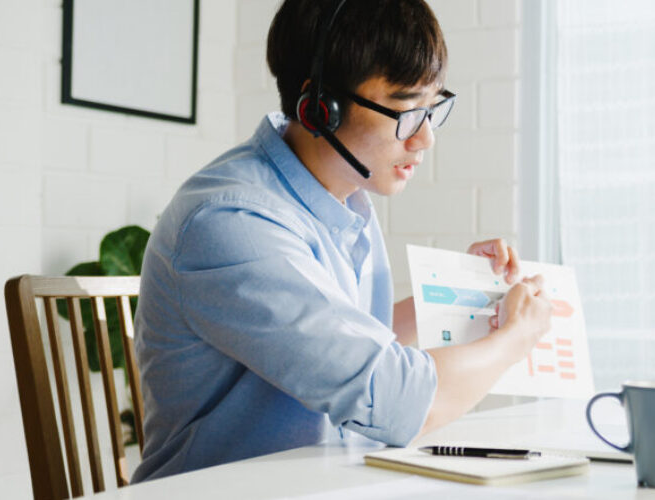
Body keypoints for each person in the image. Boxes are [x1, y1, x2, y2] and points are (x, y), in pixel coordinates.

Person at [131, 0, 552, 482]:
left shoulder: (342, 199)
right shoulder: (230, 222)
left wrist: (470, 299)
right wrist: (517, 338)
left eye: (431, 108)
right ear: (319, 108)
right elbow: (395, 400)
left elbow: (342, 339)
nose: (425, 138)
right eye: (405, 109)